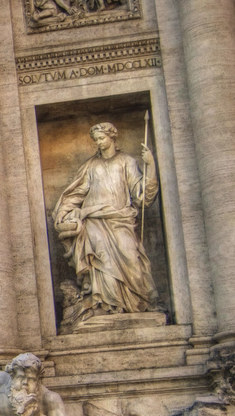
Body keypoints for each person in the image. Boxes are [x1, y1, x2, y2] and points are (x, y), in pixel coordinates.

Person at [53, 122, 159, 324]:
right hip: (94, 221)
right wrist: (63, 213)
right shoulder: (90, 166)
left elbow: (142, 195)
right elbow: (76, 194)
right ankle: (106, 305)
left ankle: (134, 303)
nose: (99, 142)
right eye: (96, 140)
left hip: (121, 220)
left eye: (102, 138)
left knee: (132, 259)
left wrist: (151, 165)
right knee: (101, 262)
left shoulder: (126, 162)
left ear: (112, 137)